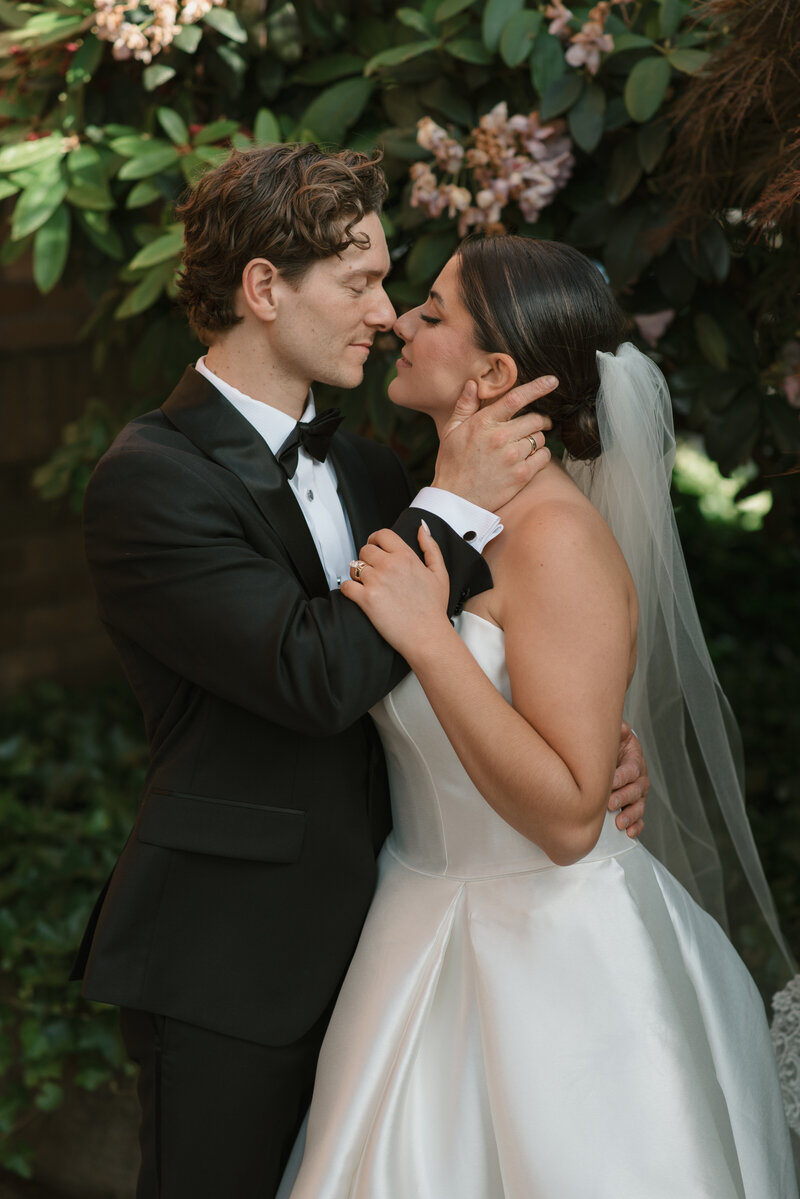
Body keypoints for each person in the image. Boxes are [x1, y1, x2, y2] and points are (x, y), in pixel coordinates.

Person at [69, 147, 649, 1199]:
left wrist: (579, 743)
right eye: (360, 283)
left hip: (402, 942)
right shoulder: (148, 482)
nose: (385, 314)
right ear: (262, 289)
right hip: (236, 961)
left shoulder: (374, 466)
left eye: (393, 287)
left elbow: (468, 657)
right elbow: (314, 677)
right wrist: (456, 500)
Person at [281, 236, 798, 1197]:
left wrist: (431, 642)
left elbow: (568, 821)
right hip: (414, 923)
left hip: (559, 968)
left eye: (431, 312)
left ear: (497, 372)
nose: (399, 319)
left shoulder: (557, 537)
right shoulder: (430, 508)